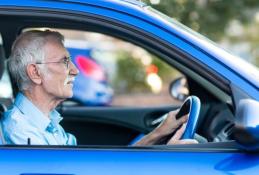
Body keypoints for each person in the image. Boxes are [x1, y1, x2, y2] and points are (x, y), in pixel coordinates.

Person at [2, 30, 196, 145]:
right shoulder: (22, 133)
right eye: (64, 62)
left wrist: (159, 133)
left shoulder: (44, 123)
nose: (75, 70)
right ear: (35, 73)